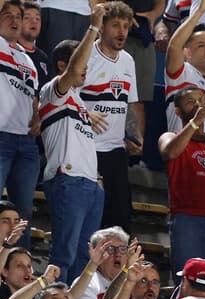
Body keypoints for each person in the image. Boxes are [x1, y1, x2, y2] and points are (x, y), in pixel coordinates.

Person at [40, 8, 106, 283]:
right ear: (62, 66)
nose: (85, 71)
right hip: (68, 181)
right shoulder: (52, 90)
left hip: (90, 184)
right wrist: (92, 30)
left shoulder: (77, 101)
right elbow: (75, 69)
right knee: (64, 255)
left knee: (84, 259)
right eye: (81, 65)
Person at [81, 1, 142, 232]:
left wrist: (135, 135)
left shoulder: (127, 60)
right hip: (88, 148)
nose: (122, 31)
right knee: (90, 222)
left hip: (116, 150)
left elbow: (129, 102)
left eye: (126, 26)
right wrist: (85, 112)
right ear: (101, 27)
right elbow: (63, 93)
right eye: (115, 25)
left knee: (119, 222)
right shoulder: (86, 55)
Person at [159, 87, 205, 271]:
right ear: (177, 111)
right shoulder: (170, 136)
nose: (197, 105)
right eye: (190, 102)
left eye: (200, 100)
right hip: (187, 217)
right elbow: (170, 151)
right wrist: (195, 122)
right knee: (188, 276)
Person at [0, 0, 39, 248]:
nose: (15, 20)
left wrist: (38, 118)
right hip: (1, 137)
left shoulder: (28, 60)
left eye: (18, 15)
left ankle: (16, 265)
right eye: (7, 15)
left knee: (23, 213)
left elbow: (34, 99)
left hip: (26, 144)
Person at [162, 0, 205, 134]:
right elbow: (174, 47)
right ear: (187, 52)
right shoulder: (181, 73)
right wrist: (200, 11)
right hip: (184, 149)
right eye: (201, 46)